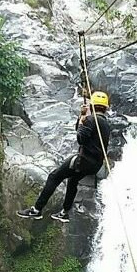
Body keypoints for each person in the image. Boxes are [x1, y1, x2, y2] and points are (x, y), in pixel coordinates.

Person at [17, 91, 112, 224]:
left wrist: (83, 119)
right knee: (73, 180)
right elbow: (84, 131)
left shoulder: (91, 120)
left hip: (83, 160)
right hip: (95, 165)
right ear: (105, 108)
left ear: (92, 106)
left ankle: (36, 210)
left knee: (54, 176)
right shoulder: (106, 124)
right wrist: (82, 117)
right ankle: (64, 212)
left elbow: (80, 139)